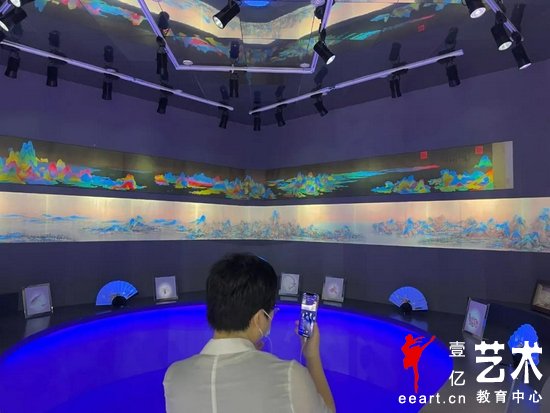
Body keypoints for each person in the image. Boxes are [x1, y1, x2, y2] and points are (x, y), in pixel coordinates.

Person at [163, 253, 336, 413]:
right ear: (259, 318)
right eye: (272, 312)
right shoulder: (289, 376)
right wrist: (312, 356)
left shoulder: (174, 377)